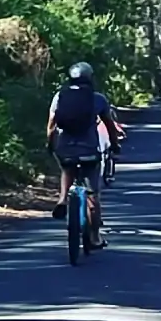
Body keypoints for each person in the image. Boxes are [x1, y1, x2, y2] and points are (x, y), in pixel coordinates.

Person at [47, 62, 124, 243]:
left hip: (66, 149)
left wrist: (50, 145)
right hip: (89, 150)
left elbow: (51, 126)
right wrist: (115, 145)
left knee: (67, 168)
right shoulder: (98, 99)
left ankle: (63, 199)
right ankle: (95, 237)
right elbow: (110, 126)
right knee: (92, 195)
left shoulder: (60, 97)